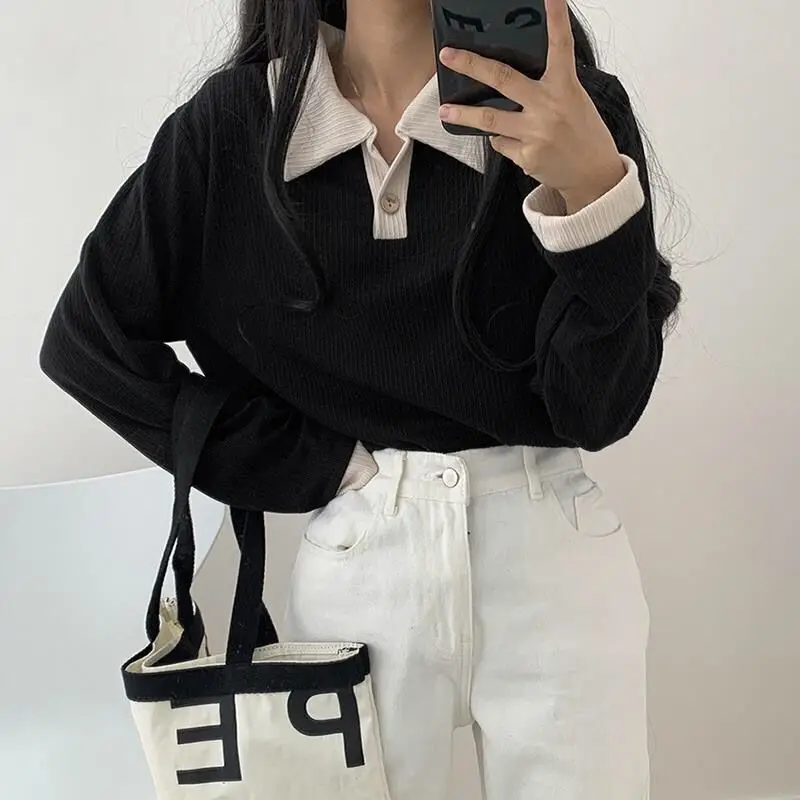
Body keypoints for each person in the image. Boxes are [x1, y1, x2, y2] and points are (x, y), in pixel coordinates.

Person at [39, 0, 681, 797]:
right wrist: (314, 467)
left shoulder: (567, 105)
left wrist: (591, 189)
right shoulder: (236, 127)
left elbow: (600, 408)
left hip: (554, 554)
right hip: (359, 560)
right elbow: (86, 343)